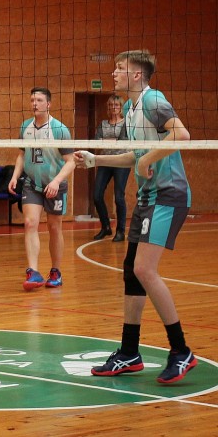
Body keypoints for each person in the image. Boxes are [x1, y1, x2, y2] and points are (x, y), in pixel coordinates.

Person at [75, 50, 196, 384]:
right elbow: (136, 156)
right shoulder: (130, 108)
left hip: (169, 195)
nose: (114, 73)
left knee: (144, 269)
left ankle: (181, 350)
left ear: (137, 75)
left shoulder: (153, 100)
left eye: (120, 68)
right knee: (131, 271)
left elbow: (182, 135)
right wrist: (97, 160)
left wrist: (147, 160)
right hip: (147, 197)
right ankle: (129, 352)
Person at [8, 87, 75, 291]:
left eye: (38, 100)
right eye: (32, 100)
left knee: (54, 227)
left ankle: (56, 271)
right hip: (32, 184)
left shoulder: (59, 129)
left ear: (48, 104)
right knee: (30, 223)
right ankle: (33, 272)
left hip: (55, 185)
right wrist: (15, 176)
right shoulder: (25, 126)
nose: (34, 104)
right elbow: (22, 154)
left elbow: (71, 161)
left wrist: (56, 182)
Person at [90, 94, 131, 242]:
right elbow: (97, 142)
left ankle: (120, 231)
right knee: (97, 195)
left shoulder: (126, 123)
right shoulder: (103, 124)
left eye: (116, 105)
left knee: (119, 197)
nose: (113, 107)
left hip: (121, 161)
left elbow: (122, 141)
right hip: (105, 161)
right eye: (111, 105)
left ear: (121, 107)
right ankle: (106, 227)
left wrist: (105, 140)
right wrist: (110, 141)